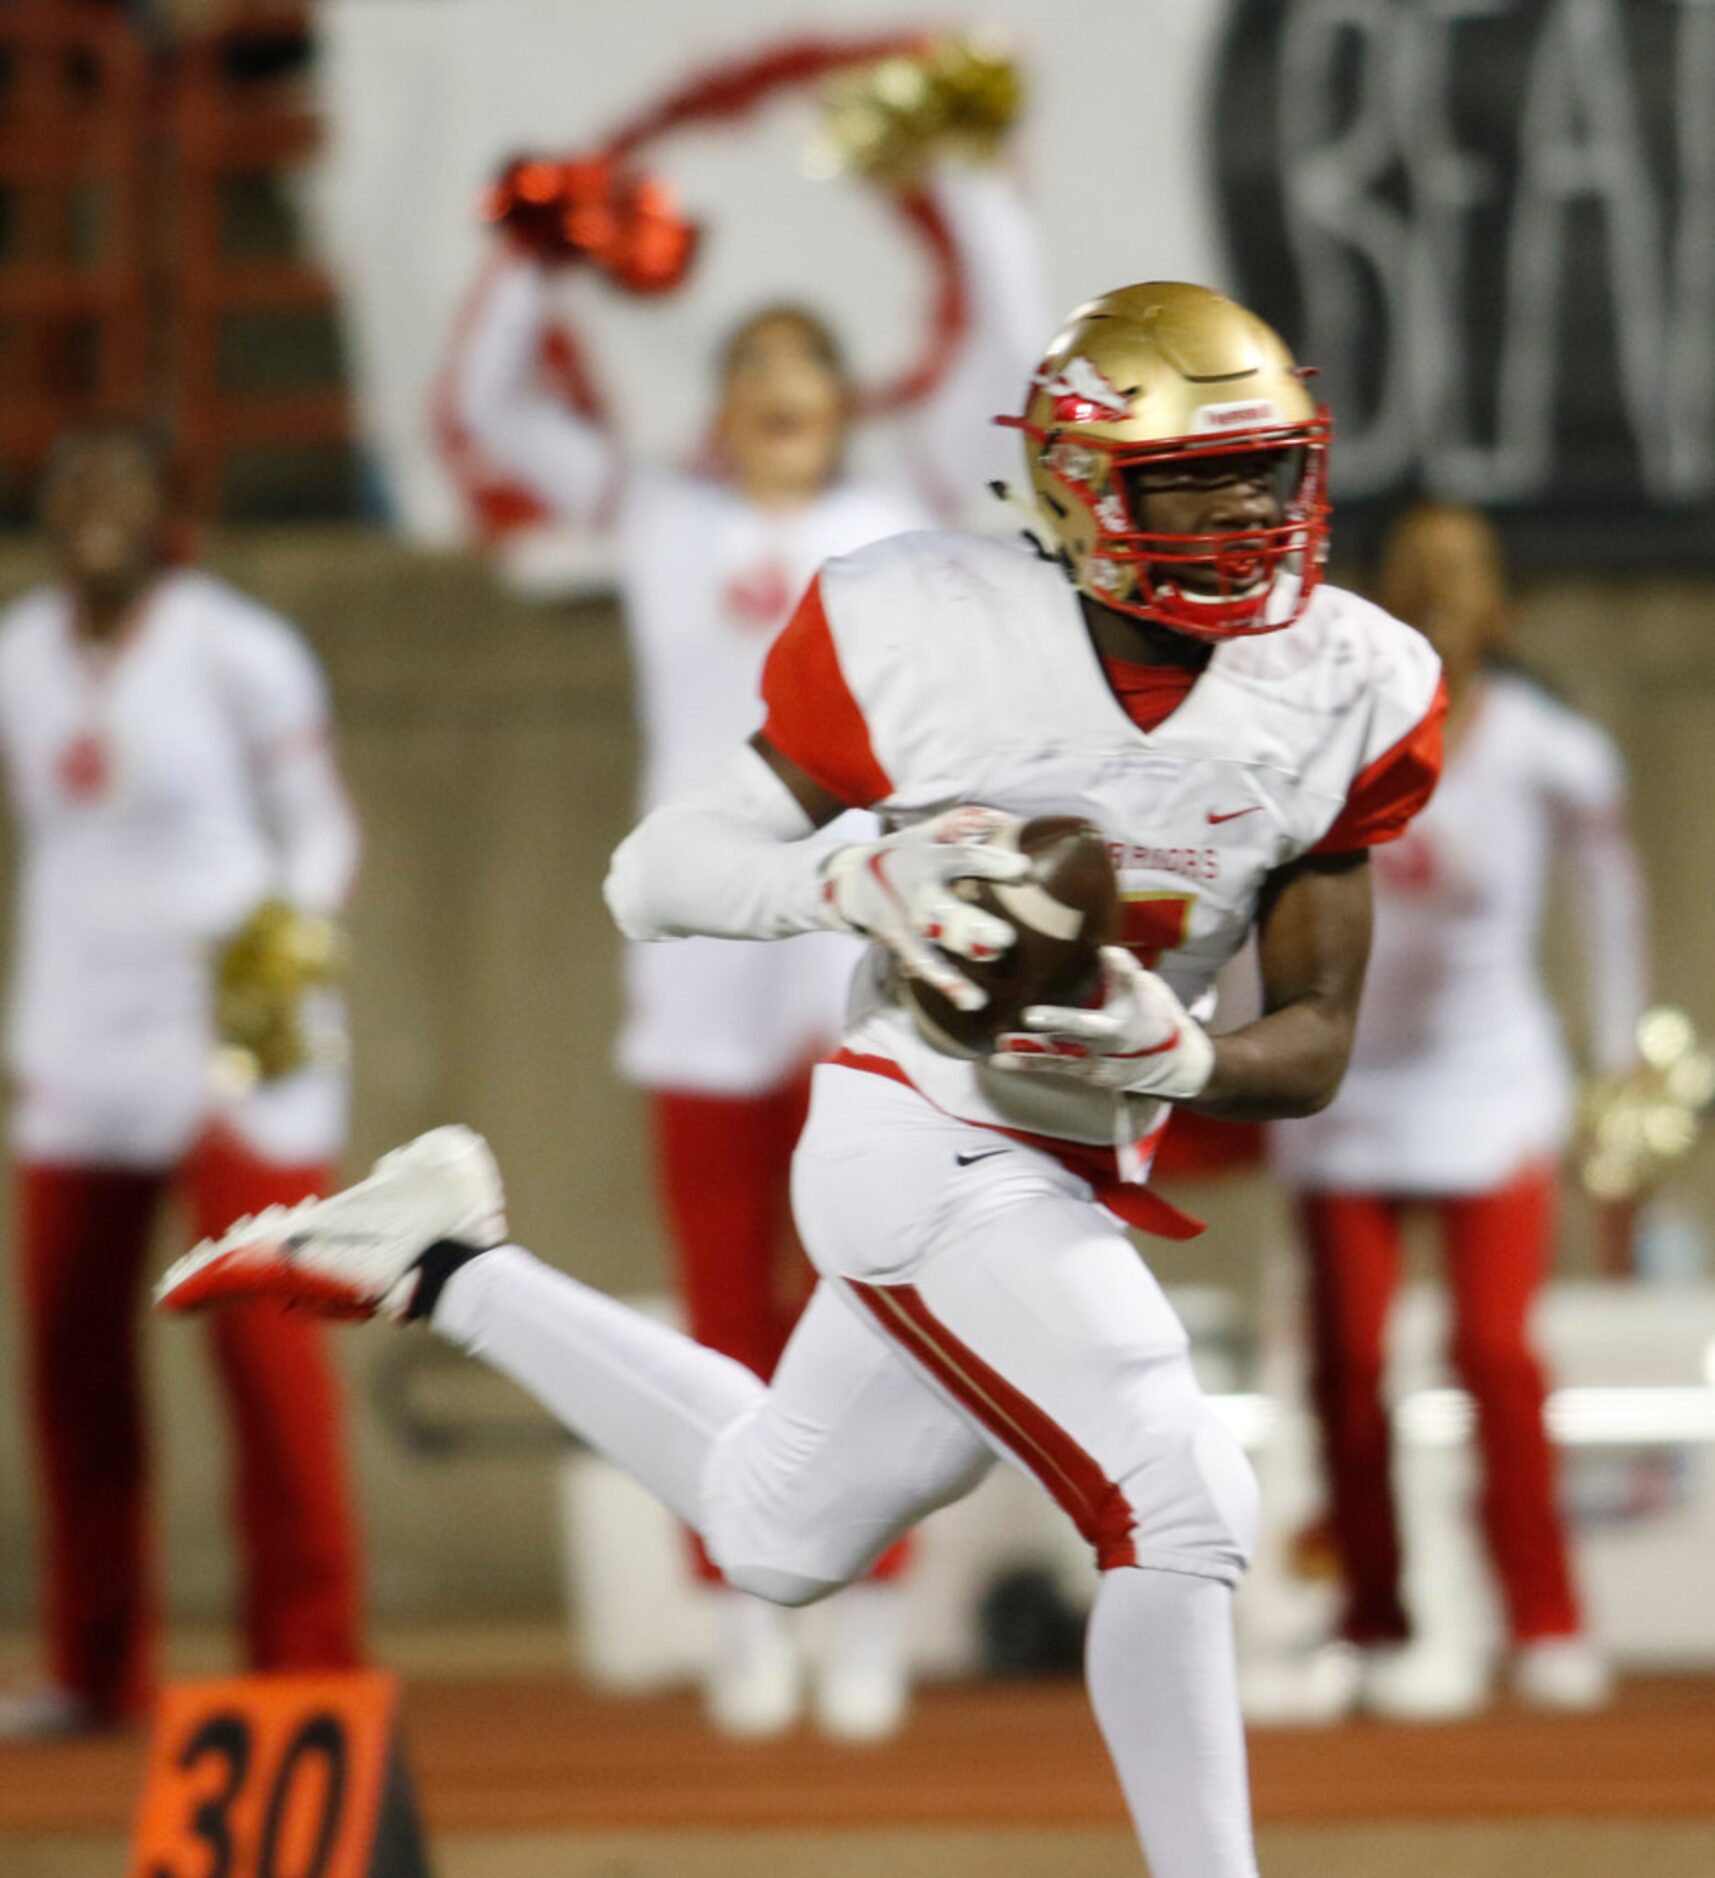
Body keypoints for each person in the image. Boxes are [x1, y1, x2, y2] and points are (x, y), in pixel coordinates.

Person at [159, 280, 1445, 1878]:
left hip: (1068, 1160)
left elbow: (1312, 1038)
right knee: (1181, 1494)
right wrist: (851, 877)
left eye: (1265, 471)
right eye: (1191, 479)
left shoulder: (1350, 678)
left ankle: (442, 1262)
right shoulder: (924, 622)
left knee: (775, 1531)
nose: (1243, 516)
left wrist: (1185, 1052)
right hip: (915, 1128)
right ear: (1071, 483)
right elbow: (656, 868)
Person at [443, 155, 1047, 1738]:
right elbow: (494, 420)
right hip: (705, 953)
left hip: (862, 943)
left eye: (808, 368)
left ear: (847, 404)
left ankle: (881, 1603)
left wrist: (968, 178)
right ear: (715, 411)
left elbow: (1007, 370)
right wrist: (536, 250)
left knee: (875, 1279)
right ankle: (739, 1598)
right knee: (719, 1294)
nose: (782, 390)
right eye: (753, 369)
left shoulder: (899, 510)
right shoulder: (657, 510)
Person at [0, 423, 364, 1738]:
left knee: (273, 1367)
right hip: (79, 1046)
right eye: (68, 483)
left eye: (120, 482)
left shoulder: (237, 648)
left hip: (235, 1040)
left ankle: (307, 1663)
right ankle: (96, 1666)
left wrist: (287, 948)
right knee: (72, 1366)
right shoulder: (21, 655)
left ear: (170, 511)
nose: (93, 502)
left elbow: (323, 828)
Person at [1270, 503, 1645, 1719]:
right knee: (1350, 1363)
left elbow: (1609, 900)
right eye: (1413, 572)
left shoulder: (1551, 752)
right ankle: (1371, 1617)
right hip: (1346, 1092)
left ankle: (1543, 1617)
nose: (1435, 589)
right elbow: (1243, 891)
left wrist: (1615, 1064)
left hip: (1489, 1087)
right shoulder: (1313, 740)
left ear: (1497, 610)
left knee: (1493, 1352)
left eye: (1459, 575)